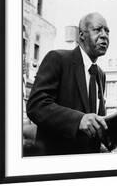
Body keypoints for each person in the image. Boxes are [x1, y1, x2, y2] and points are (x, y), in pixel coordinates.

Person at [26, 12, 110, 155]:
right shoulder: (58, 59)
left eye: (107, 31)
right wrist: (78, 120)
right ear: (81, 35)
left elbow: (96, 122)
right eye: (97, 30)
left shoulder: (100, 74)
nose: (104, 35)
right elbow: (36, 105)